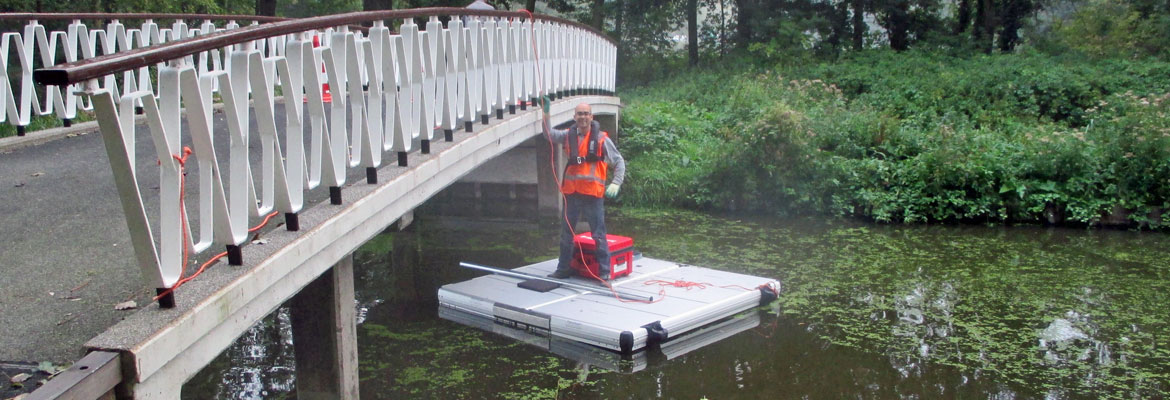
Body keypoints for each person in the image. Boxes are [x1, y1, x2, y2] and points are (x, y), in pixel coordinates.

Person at [542, 100, 626, 280]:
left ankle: (605, 272)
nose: (583, 117)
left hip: (593, 195)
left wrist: (616, 182)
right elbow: (548, 134)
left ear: (591, 117)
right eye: (580, 114)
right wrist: (546, 114)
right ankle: (563, 269)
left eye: (586, 114)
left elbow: (619, 161)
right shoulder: (567, 136)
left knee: (599, 235)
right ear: (574, 117)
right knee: (566, 234)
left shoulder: (602, 139)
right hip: (572, 194)